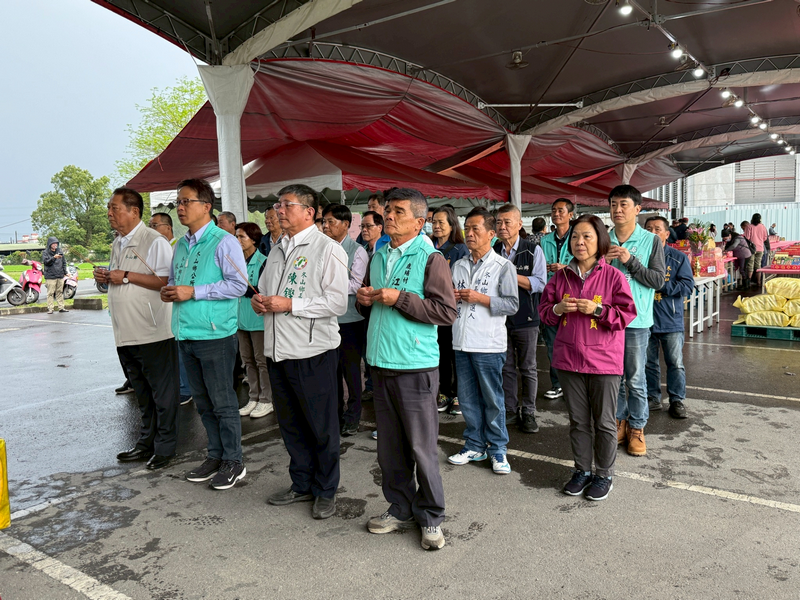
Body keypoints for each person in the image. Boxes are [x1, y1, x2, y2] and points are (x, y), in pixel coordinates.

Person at [357, 187, 456, 551]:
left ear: (419, 221)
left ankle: (431, 516)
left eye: (399, 211)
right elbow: (374, 302)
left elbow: (446, 312)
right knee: (390, 449)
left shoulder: (431, 258)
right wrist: (365, 299)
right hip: (380, 361)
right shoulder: (380, 254)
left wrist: (399, 298)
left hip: (415, 365)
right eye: (388, 209)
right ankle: (400, 506)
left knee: (421, 447)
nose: (389, 215)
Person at [252, 184, 348, 520]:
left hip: (312, 352)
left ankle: (326, 489)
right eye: (278, 205)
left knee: (321, 427)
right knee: (291, 425)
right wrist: (260, 301)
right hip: (277, 351)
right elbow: (268, 291)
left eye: (286, 204)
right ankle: (302, 483)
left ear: (309, 211)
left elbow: (337, 302)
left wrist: (290, 304)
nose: (279, 210)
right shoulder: (277, 249)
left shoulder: (327, 249)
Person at [539, 214, 637, 501]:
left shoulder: (613, 276)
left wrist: (598, 310)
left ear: (600, 241)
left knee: (604, 422)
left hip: (603, 361)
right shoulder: (560, 277)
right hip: (569, 360)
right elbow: (545, 313)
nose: (579, 242)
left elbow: (627, 314)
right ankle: (581, 470)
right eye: (575, 237)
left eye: (587, 236)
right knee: (578, 422)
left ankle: (604, 474)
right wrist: (558, 309)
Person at [160, 178, 249, 491]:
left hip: (215, 335)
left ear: (206, 206)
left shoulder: (224, 241)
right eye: (178, 202)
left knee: (222, 402)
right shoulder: (181, 245)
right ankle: (215, 455)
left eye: (186, 201)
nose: (180, 208)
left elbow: (239, 285)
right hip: (186, 332)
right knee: (203, 403)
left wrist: (193, 291)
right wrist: (171, 290)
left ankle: (234, 461)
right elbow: (176, 281)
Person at [97, 187, 179, 470]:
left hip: (152, 330)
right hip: (125, 332)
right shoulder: (117, 243)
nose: (109, 213)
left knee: (162, 394)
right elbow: (120, 278)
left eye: (115, 208)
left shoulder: (154, 241)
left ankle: (166, 447)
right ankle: (146, 443)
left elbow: (165, 280)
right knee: (142, 393)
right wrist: (107, 277)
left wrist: (126, 275)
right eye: (109, 208)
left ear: (134, 211)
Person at [448, 207, 519, 475]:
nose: (469, 233)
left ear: (491, 234)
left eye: (475, 229)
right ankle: (474, 444)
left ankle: (498, 448)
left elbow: (512, 304)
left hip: (488, 344)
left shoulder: (503, 266)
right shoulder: (458, 265)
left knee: (492, 399)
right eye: (467, 228)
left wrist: (481, 298)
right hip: (461, 341)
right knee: (467, 398)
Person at [606, 185, 665, 457]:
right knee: (613, 378)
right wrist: (600, 262)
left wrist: (630, 261)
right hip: (607, 320)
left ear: (637, 209)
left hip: (637, 322)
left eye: (624, 205)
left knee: (636, 378)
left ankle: (638, 427)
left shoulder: (651, 241)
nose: (617, 210)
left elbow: (657, 280)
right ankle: (619, 421)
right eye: (613, 204)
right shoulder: (602, 239)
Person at [494, 204, 547, 434]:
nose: (502, 227)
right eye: (499, 222)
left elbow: (540, 283)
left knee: (528, 367)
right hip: (499, 318)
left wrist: (511, 276)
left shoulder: (533, 250)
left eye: (507, 222)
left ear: (519, 224)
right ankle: (510, 409)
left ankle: (529, 412)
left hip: (526, 318)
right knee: (505, 367)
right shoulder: (493, 250)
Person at [321, 203, 368, 438]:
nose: (325, 226)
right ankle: (336, 414)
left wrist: (326, 287)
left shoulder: (357, 251)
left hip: (349, 320)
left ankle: (353, 416)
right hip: (326, 318)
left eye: (331, 222)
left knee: (350, 371)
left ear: (346, 224)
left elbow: (355, 285)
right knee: (331, 371)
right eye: (324, 222)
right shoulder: (321, 248)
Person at [644, 216, 694, 420]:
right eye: (648, 229)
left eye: (657, 229)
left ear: (666, 234)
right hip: (644, 319)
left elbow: (687, 286)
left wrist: (661, 285)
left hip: (670, 320)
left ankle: (676, 400)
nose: (652, 233)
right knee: (649, 363)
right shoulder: (639, 257)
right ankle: (652, 397)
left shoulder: (677, 258)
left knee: (675, 362)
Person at [149, 212, 192, 405]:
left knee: (180, 350)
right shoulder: (161, 246)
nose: (152, 229)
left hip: (180, 305)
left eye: (155, 225)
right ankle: (177, 385)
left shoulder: (176, 247)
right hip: (165, 303)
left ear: (167, 227)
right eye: (150, 225)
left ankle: (185, 388)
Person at [430, 206, 468, 414]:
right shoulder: (428, 246)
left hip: (453, 309)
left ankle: (459, 395)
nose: (436, 226)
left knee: (455, 355)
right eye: (434, 222)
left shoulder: (460, 249)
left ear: (452, 225)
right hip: (432, 309)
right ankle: (444, 392)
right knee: (441, 353)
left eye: (441, 222)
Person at [234, 222, 273, 419]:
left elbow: (262, 290)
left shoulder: (263, 262)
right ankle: (253, 397)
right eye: (236, 236)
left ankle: (266, 399)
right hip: (240, 319)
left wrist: (240, 288)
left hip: (257, 321)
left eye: (242, 237)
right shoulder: (235, 261)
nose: (238, 240)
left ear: (254, 239)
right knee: (247, 360)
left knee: (261, 361)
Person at [539, 198, 575, 400]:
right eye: (553, 210)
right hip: (551, 295)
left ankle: (576, 381)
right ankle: (557, 383)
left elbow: (587, 263)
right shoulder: (545, 240)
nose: (556, 213)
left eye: (561, 210)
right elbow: (539, 267)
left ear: (571, 214)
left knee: (574, 339)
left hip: (573, 295)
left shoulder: (578, 236)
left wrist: (565, 268)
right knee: (552, 343)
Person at [42, 236, 68, 314]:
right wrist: (54, 257)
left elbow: (63, 262)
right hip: (50, 276)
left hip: (60, 275)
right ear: (50, 244)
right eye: (53, 243)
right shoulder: (45, 252)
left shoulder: (59, 251)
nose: (55, 245)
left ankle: (61, 307)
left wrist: (65, 272)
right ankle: (50, 308)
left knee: (60, 292)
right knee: (50, 293)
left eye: (56, 243)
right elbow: (46, 262)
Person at [744, 213, 769, 286]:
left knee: (750, 265)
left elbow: (747, 238)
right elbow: (765, 238)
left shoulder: (749, 227)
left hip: (751, 249)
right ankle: (758, 282)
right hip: (760, 248)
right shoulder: (763, 227)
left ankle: (748, 283)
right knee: (758, 265)